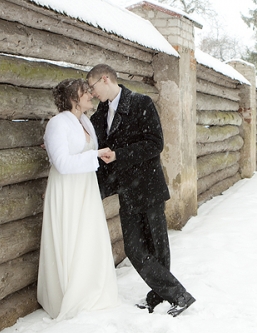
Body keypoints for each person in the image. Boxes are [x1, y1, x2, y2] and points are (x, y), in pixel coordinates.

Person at [86, 64, 195, 317]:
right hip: (127, 190)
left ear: (105, 79)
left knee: (157, 247)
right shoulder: (102, 112)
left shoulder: (141, 103)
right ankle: (175, 294)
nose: (92, 93)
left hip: (149, 186)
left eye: (92, 87)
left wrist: (120, 155)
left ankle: (164, 296)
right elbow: (92, 141)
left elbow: (155, 143)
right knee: (134, 248)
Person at [37, 78, 118, 320]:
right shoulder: (57, 124)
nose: (91, 95)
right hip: (67, 189)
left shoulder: (85, 121)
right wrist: (94, 154)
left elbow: (86, 152)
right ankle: (69, 292)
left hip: (86, 186)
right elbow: (61, 163)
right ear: (74, 97)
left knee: (87, 235)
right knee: (70, 235)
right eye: (86, 93)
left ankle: (89, 286)